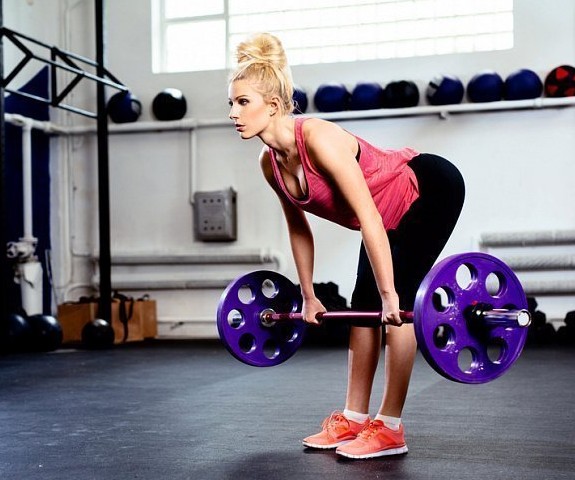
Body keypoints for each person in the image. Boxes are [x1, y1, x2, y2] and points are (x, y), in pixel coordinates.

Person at [227, 32, 465, 460]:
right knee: (362, 302)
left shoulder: (318, 138)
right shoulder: (270, 164)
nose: (233, 113)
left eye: (242, 102)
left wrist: (392, 295)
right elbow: (299, 228)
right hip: (382, 215)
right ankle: (354, 418)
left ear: (274, 106)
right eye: (232, 103)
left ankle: (390, 426)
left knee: (395, 304)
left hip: (427, 188)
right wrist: (308, 294)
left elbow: (369, 217)